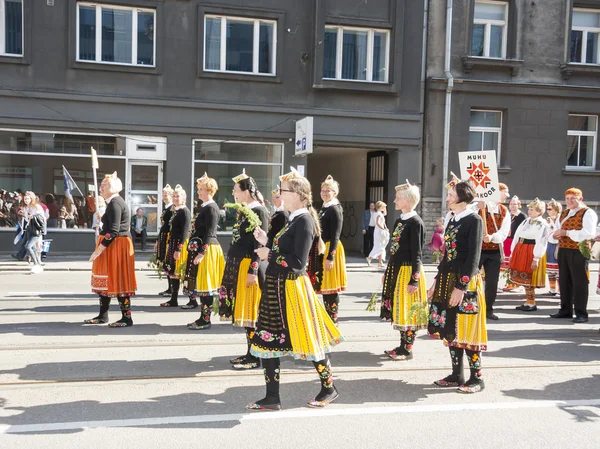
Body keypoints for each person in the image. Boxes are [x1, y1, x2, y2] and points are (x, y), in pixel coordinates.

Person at [246, 167, 343, 411]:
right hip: (277, 287)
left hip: (292, 288)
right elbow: (287, 252)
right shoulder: (293, 219)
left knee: (310, 340)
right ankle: (272, 397)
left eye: (283, 191)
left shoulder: (305, 220)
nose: (279, 195)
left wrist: (270, 253)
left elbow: (299, 263)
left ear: (298, 194)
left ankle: (329, 387)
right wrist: (266, 241)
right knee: (268, 341)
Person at [428, 175, 487, 394]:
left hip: (466, 282)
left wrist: (460, 287)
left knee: (468, 329)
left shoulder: (474, 220)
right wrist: (436, 280)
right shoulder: (453, 218)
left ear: (462, 198)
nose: (448, 197)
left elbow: (473, 257)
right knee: (451, 327)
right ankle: (456, 374)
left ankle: (476, 378)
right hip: (447, 278)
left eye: (451, 194)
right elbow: (446, 254)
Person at [218, 169, 269, 370]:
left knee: (251, 312)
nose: (233, 194)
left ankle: (255, 356)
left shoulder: (259, 211)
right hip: (240, 265)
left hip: (249, 266)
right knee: (246, 313)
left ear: (246, 191)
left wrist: (253, 270)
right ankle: (250, 353)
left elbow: (259, 245)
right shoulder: (245, 210)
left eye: (235, 190)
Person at [380, 181, 427, 360]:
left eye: (398, 198)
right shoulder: (400, 220)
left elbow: (417, 253)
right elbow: (394, 249)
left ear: (408, 201)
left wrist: (414, 279)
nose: (394, 201)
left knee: (410, 310)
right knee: (400, 308)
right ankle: (402, 346)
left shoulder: (416, 222)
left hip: (409, 271)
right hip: (398, 270)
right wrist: (388, 271)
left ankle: (407, 349)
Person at [86, 172, 137, 327]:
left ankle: (126, 318)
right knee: (105, 280)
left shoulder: (115, 203)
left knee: (119, 280)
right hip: (114, 244)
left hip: (116, 245)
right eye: (101, 184)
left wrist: (98, 250)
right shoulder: (112, 203)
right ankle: (103, 315)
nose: (101, 187)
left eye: (105, 185)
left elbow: (114, 231)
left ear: (114, 188)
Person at [183, 173, 225, 328]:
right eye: (198, 189)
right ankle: (203, 317)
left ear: (210, 191)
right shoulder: (204, 207)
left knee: (206, 286)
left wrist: (202, 252)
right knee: (201, 286)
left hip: (208, 250)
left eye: (201, 189)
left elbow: (210, 232)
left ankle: (205, 320)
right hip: (203, 249)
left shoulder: (212, 208)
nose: (198, 192)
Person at [551, 188, 598, 323]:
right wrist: (555, 235)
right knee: (564, 281)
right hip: (564, 250)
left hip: (579, 251)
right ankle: (565, 310)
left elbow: (589, 233)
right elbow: (556, 229)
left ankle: (581, 313)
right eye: (567, 199)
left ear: (580, 199)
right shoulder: (564, 213)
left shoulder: (587, 213)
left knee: (579, 282)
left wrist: (566, 233)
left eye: (573, 198)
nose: (569, 201)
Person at [308, 175, 347, 324]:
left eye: (328, 190)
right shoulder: (325, 207)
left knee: (331, 287)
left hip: (331, 248)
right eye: (322, 190)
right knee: (324, 286)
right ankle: (327, 318)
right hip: (322, 248)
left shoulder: (335, 209)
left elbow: (336, 235)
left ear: (334, 193)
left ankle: (333, 319)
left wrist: (331, 257)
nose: (324, 193)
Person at [477, 182, 510, 320]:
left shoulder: (504, 211)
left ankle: (488, 309)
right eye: (505, 192)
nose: (507, 195)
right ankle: (469, 306)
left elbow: (503, 233)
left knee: (492, 282)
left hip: (493, 251)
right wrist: (478, 207)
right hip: (477, 251)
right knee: (471, 278)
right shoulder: (479, 206)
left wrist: (491, 237)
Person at [510, 198, 549, 312]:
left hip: (531, 250)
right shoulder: (526, 221)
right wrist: (513, 251)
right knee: (523, 277)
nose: (530, 211)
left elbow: (541, 241)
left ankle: (531, 303)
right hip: (521, 249)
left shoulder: (542, 224)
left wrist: (536, 257)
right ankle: (528, 301)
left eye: (532, 209)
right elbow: (517, 235)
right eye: (530, 209)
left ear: (539, 211)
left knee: (529, 277)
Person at [160, 185, 191, 308]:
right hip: (172, 243)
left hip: (180, 244)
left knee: (183, 273)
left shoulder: (185, 211)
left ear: (183, 197)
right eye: (174, 196)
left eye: (178, 196)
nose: (175, 198)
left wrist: (179, 248)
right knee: (173, 273)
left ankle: (192, 300)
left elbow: (185, 231)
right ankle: (173, 299)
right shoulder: (176, 211)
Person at [502, 196, 527, 292]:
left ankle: (516, 284)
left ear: (519, 205)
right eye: (511, 204)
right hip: (506, 240)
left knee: (515, 263)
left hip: (515, 241)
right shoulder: (507, 214)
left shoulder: (522, 216)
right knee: (507, 264)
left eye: (515, 204)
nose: (513, 206)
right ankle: (509, 283)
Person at [155, 185, 174, 297]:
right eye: (163, 194)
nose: (164, 197)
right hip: (163, 235)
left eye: (166, 194)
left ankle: (171, 288)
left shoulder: (172, 208)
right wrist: (158, 240)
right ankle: (169, 287)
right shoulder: (166, 208)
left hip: (168, 237)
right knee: (165, 262)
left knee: (168, 261)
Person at [22, 192, 46, 274]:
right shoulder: (26, 208)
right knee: (34, 248)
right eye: (25, 199)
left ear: (31, 199)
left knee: (28, 246)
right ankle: (38, 265)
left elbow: (42, 217)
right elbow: (26, 219)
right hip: (29, 229)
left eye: (28, 199)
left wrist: (33, 217)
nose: (26, 200)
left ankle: (36, 264)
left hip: (36, 230)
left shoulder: (36, 207)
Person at [544, 199, 562, 296]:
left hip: (558, 244)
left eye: (550, 209)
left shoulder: (561, 218)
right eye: (547, 209)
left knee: (559, 270)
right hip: (549, 244)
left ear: (556, 209)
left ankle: (560, 290)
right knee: (550, 269)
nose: (548, 210)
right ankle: (552, 289)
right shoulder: (547, 219)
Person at [367, 201, 389, 268]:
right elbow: (378, 223)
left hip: (378, 231)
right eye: (383, 207)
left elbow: (385, 213)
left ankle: (380, 262)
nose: (384, 208)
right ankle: (370, 258)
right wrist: (384, 229)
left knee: (380, 246)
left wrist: (385, 207)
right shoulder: (379, 214)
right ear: (380, 207)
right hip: (379, 231)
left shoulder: (376, 213)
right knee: (380, 246)